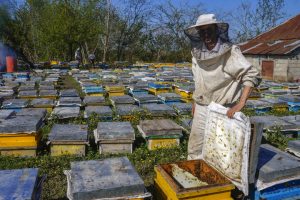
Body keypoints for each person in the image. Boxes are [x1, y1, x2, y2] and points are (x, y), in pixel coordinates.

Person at [184, 14, 260, 160]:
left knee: (221, 150)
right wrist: (195, 101)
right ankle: (195, 178)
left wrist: (241, 103)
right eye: (202, 31)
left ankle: (220, 181)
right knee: (195, 147)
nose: (206, 34)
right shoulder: (197, 52)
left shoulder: (230, 52)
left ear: (217, 30)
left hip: (223, 108)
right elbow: (198, 79)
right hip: (202, 106)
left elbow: (251, 74)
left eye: (209, 30)